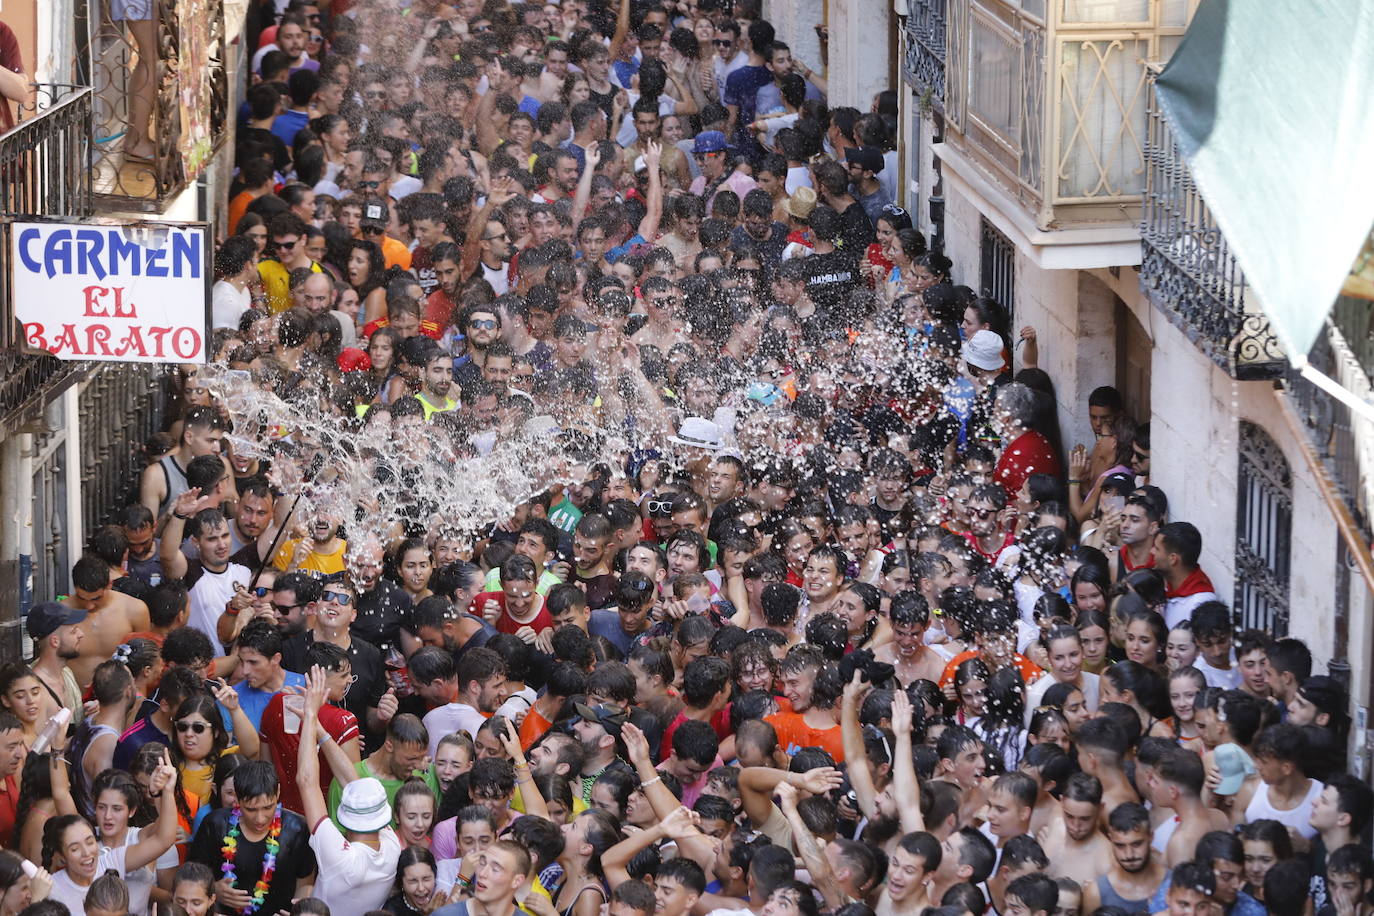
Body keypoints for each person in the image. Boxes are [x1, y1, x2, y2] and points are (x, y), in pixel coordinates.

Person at [298, 665, 403, 916]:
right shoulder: (391, 846)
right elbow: (354, 784)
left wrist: (312, 716)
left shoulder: (342, 858)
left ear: (347, 819)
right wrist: (322, 734)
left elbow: (306, 782)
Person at [188, 761, 317, 914]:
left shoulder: (297, 829)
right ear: (238, 798)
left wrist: (298, 911)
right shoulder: (215, 825)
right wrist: (213, 890)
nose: (260, 818)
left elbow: (305, 884)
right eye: (250, 809)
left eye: (268, 807)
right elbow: (191, 878)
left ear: (278, 793)